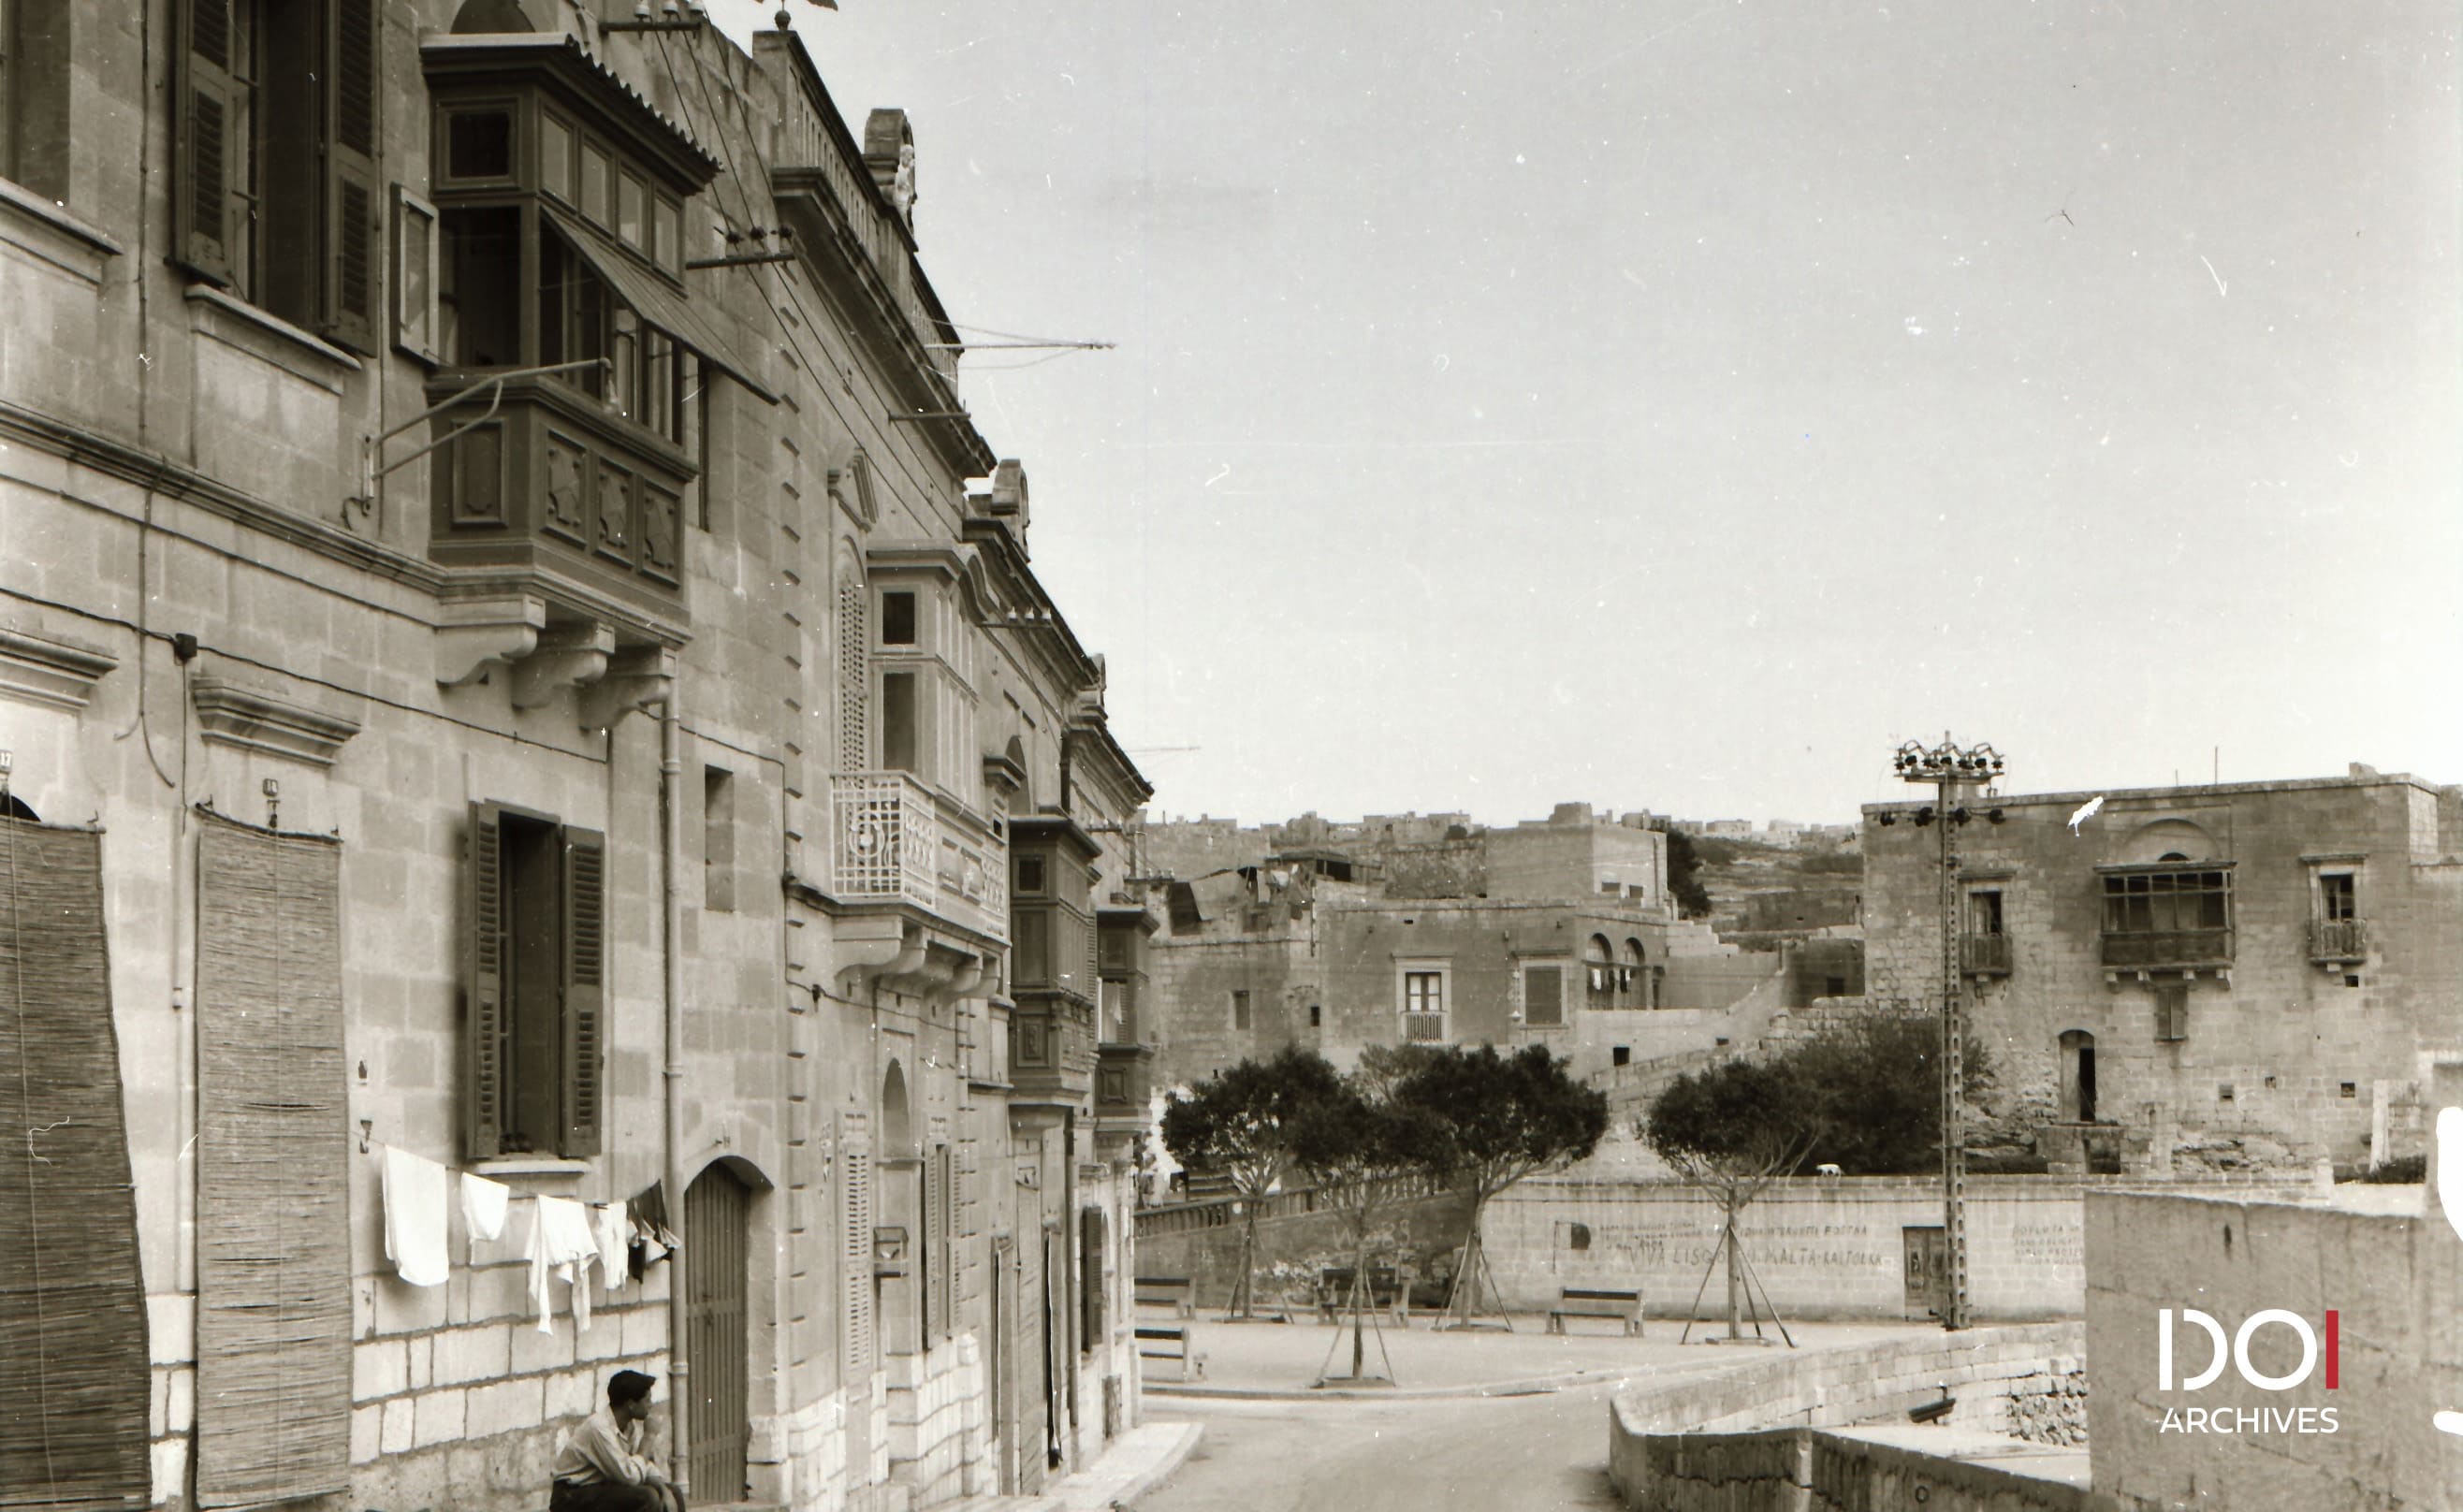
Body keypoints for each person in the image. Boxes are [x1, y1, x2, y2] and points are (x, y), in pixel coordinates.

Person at [549, 1369, 684, 1512]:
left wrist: (664, 1490)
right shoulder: (599, 1428)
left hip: (602, 1487)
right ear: (631, 1404)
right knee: (647, 1496)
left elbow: (642, 1465)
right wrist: (648, 1437)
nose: (651, 1405)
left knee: (674, 1492)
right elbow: (630, 1477)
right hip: (571, 1495)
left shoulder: (629, 1426)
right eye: (647, 1400)